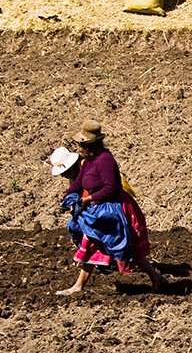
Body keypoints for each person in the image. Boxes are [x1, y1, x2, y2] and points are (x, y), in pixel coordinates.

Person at [49, 120, 167, 295]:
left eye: (81, 146)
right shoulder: (88, 162)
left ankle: (156, 278)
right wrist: (67, 193)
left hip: (115, 208)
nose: (79, 150)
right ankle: (79, 286)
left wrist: (89, 198)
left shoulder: (105, 160)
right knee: (92, 242)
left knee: (124, 247)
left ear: (90, 146)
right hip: (99, 208)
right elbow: (80, 181)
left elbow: (112, 188)